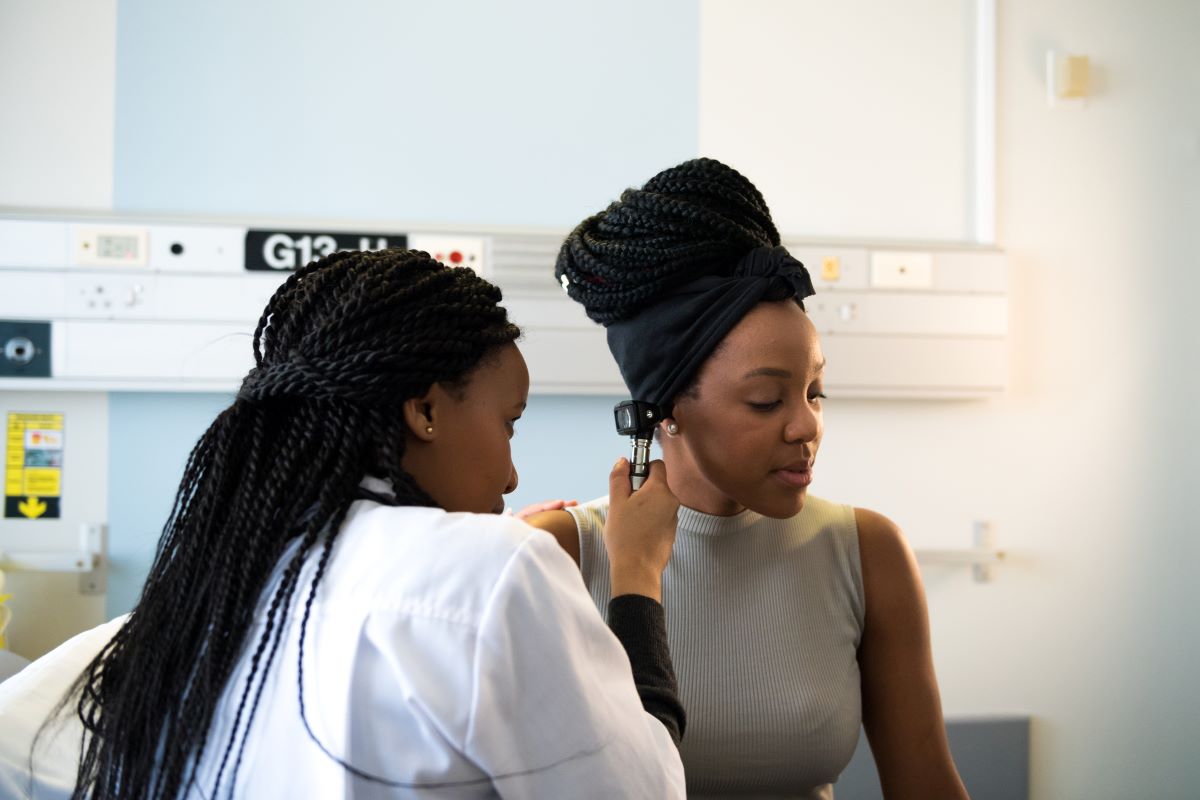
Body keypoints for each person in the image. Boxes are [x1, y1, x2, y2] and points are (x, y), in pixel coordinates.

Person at [0, 248, 686, 799]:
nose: (511, 477)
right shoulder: (498, 568)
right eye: (509, 425)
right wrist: (635, 575)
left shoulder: (204, 595)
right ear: (425, 412)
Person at [528, 158, 970, 799]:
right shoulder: (561, 556)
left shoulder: (867, 553)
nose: (806, 427)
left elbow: (927, 785)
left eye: (815, 392)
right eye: (767, 400)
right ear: (667, 408)